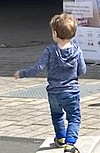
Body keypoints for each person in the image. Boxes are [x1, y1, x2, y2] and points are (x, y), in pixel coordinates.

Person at [14, 13, 86, 153]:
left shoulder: (50, 51)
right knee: (74, 117)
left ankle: (60, 138)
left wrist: (22, 73)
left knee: (57, 115)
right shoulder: (77, 51)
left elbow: (38, 68)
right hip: (71, 91)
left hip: (53, 92)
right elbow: (82, 70)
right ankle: (70, 144)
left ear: (54, 33)